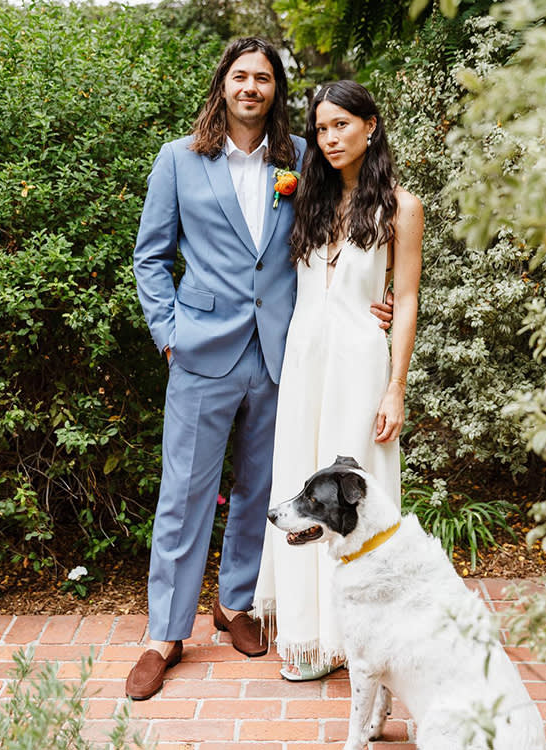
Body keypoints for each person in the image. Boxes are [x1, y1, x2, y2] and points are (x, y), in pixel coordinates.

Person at [126, 40, 393, 701]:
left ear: (275, 90)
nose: (251, 87)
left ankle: (237, 603)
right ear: (223, 85)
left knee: (259, 489)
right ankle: (166, 632)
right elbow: (149, 258)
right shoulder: (178, 160)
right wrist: (169, 336)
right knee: (184, 492)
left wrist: (373, 297)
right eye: (240, 76)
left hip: (282, 353)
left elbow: (351, 221)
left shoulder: (301, 159)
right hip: (202, 351)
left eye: (263, 78)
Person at [253, 80, 423, 681]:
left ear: (370, 125)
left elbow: (403, 300)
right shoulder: (305, 200)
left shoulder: (400, 206)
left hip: (359, 362)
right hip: (304, 360)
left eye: (341, 125)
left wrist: (394, 386)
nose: (329, 138)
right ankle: (308, 638)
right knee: (301, 487)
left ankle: (363, 642)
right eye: (321, 128)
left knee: (361, 492)